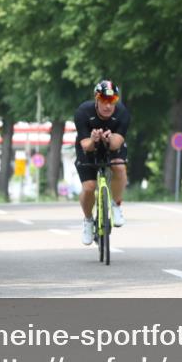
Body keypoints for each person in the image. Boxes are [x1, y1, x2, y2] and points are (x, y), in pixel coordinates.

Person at [74, 80, 131, 246]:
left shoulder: (122, 113)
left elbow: (116, 144)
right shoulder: (83, 112)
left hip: (111, 145)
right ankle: (88, 220)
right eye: (104, 101)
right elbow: (86, 145)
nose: (108, 106)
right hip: (89, 147)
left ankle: (116, 204)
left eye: (112, 101)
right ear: (96, 99)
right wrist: (94, 139)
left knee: (119, 167)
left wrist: (108, 139)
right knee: (89, 187)